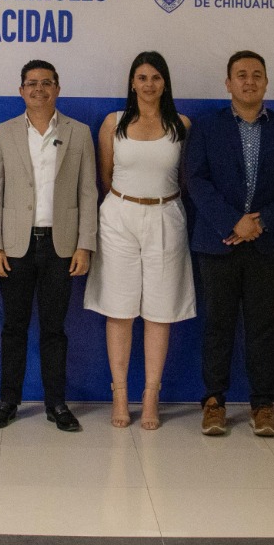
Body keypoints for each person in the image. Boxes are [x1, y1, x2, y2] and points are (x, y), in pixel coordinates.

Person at [184, 50, 274, 438]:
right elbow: (196, 180)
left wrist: (261, 221)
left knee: (263, 328)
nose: (249, 81)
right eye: (241, 75)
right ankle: (214, 403)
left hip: (269, 244)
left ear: (266, 82)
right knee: (217, 326)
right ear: (228, 83)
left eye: (257, 74)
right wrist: (232, 221)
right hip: (218, 241)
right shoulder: (207, 127)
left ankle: (263, 405)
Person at [0, 60, 98, 433]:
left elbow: (88, 192)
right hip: (15, 246)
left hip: (61, 245)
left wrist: (85, 245)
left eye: (46, 83)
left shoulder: (79, 133)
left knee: (54, 329)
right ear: (21, 90)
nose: (39, 89)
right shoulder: (4, 133)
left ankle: (57, 403)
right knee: (13, 327)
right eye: (31, 83)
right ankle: (8, 401)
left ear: (57, 88)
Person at [84, 51, 194, 430]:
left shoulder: (181, 125)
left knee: (160, 310)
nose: (149, 84)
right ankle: (119, 394)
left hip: (167, 216)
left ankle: (150, 395)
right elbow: (105, 175)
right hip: (119, 216)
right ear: (132, 82)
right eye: (142, 77)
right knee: (119, 308)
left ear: (165, 83)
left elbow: (186, 178)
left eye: (156, 78)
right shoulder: (113, 123)